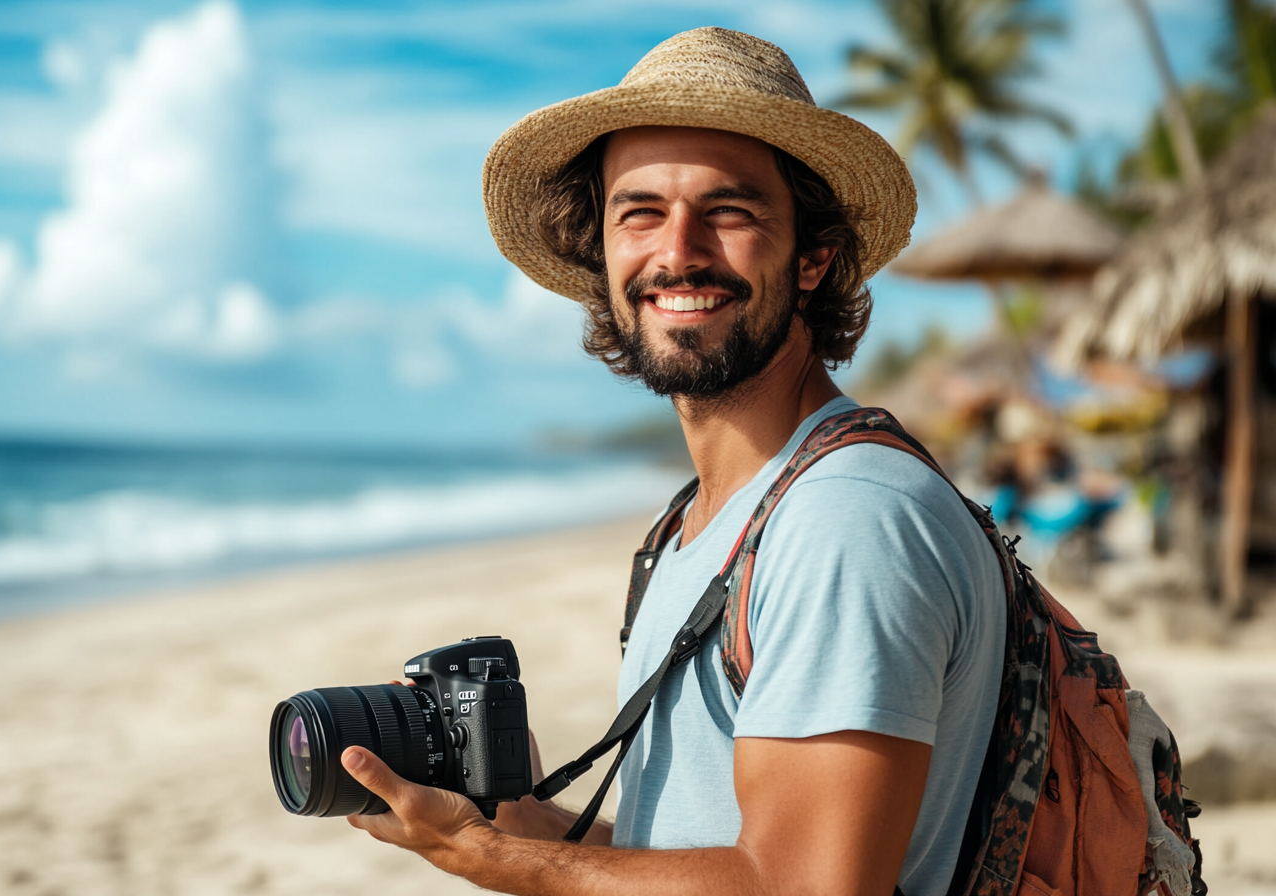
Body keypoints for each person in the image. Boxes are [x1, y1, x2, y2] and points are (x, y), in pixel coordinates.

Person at [338, 28, 1006, 896]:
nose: (678, 250)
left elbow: (804, 886)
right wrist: (519, 823)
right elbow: (716, 849)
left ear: (813, 259)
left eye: (730, 211)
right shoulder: (699, 523)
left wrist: (505, 864)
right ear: (604, 252)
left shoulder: (847, 518)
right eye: (640, 212)